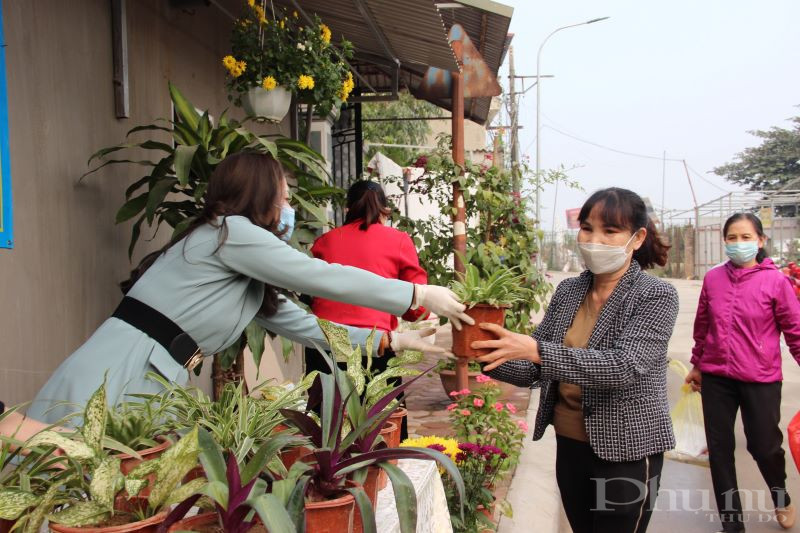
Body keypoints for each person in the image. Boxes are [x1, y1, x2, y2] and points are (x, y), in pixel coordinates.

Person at [28, 152, 473, 424]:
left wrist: (389, 340)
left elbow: (307, 327)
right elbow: (320, 276)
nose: (288, 207)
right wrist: (415, 295)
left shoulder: (242, 264)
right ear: (260, 197)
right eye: (284, 197)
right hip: (117, 372)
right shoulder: (232, 233)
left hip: (152, 376)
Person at [474, 187, 679, 533]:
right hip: (570, 445)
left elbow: (623, 366)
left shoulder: (656, 295)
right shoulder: (569, 291)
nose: (594, 240)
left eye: (610, 231)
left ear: (638, 237)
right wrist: (482, 351)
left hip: (626, 450)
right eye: (587, 228)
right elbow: (534, 369)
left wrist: (536, 350)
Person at [686, 213, 800, 531]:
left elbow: (795, 331)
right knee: (719, 451)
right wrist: (697, 364)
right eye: (732, 238)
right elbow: (703, 326)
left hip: (760, 378)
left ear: (760, 241)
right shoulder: (713, 279)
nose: (738, 243)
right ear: (724, 241)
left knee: (764, 447)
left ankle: (780, 497)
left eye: (746, 237)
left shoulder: (776, 281)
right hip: (716, 378)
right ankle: (732, 524)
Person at [305, 180, 430, 440]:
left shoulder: (325, 241)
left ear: (348, 208)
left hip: (325, 345)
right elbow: (417, 307)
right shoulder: (398, 240)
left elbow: (310, 293)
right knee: (383, 434)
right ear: (385, 210)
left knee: (326, 433)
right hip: (376, 346)